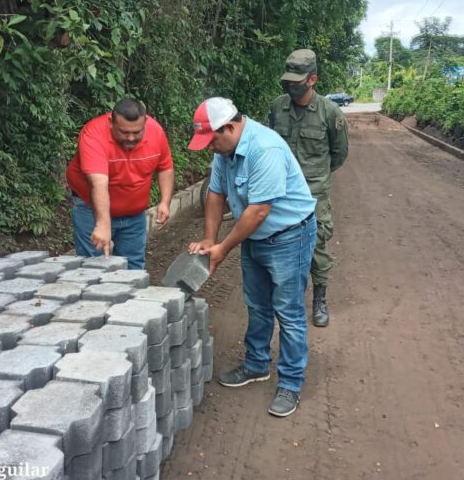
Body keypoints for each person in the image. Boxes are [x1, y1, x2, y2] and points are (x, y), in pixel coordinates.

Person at [187, 97, 317, 418]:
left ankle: (290, 382)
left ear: (229, 127)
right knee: (257, 304)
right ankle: (257, 364)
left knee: (287, 312)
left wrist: (223, 248)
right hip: (256, 238)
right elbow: (216, 195)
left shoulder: (264, 149)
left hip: (290, 236)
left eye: (212, 140)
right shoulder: (225, 151)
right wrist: (209, 239)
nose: (209, 147)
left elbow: (258, 211)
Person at [268, 49, 349, 327]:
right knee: (280, 243)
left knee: (317, 246)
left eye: (297, 80)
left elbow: (338, 155)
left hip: (314, 194)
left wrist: (316, 178)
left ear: (312, 79)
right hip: (281, 193)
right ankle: (287, 300)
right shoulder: (277, 107)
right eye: (288, 80)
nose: (291, 85)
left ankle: (319, 300)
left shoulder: (330, 113)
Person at [66, 98, 174, 269]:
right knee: (94, 266)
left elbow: (165, 166)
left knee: (134, 265)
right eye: (124, 132)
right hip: (91, 210)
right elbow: (98, 183)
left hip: (133, 214)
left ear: (145, 123)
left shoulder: (156, 132)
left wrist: (165, 202)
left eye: (137, 132)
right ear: (111, 123)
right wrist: (102, 223)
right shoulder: (94, 134)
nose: (131, 138)